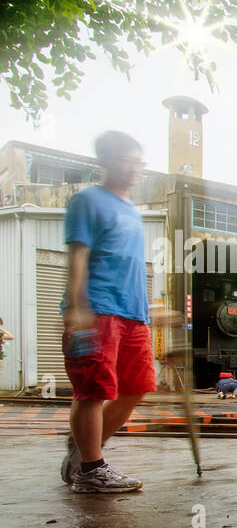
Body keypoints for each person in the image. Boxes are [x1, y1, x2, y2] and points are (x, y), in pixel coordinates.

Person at [59, 130, 154, 492]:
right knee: (93, 391)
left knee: (137, 388)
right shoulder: (87, 201)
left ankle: (84, 448)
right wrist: (78, 308)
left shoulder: (131, 209)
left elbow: (127, 264)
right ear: (105, 161)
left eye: (139, 162)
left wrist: (150, 308)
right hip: (97, 310)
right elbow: (78, 257)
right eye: (126, 160)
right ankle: (90, 469)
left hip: (133, 315)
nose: (134, 169)